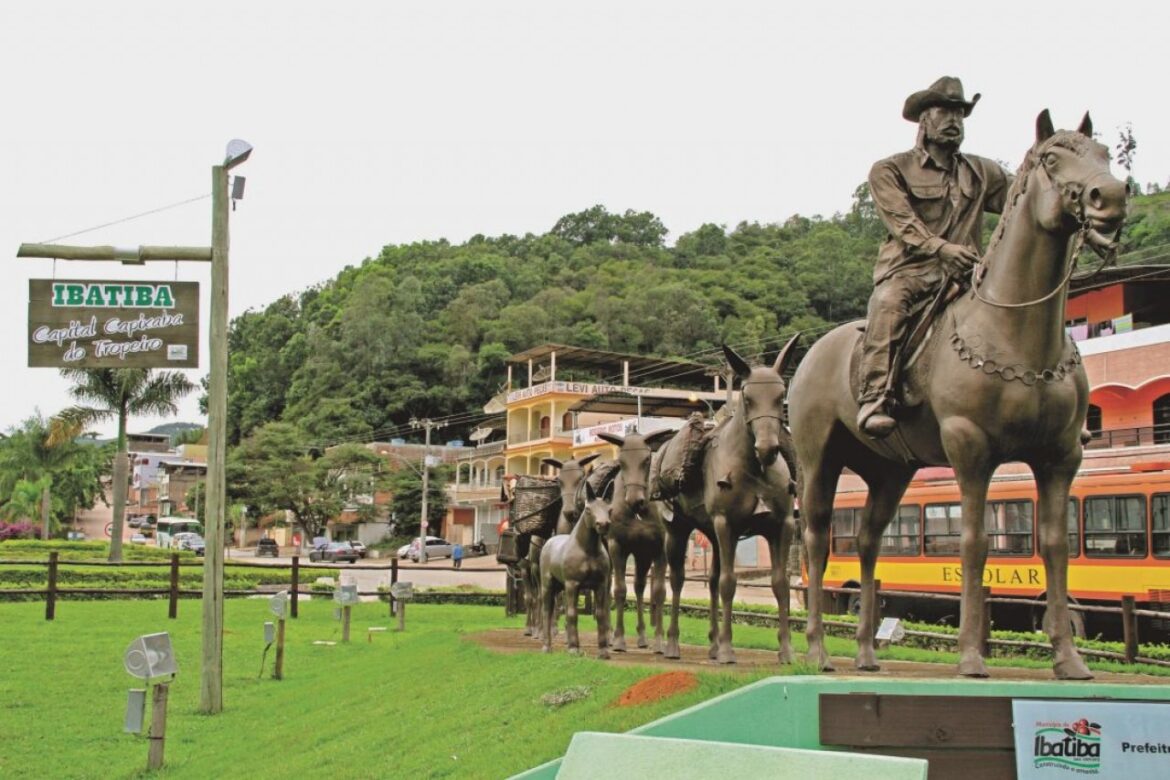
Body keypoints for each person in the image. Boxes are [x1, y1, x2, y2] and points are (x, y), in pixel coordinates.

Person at [858, 76, 1011, 437]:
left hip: (971, 276)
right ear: (924, 119)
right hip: (912, 272)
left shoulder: (983, 171)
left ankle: (1055, 401)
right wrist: (941, 249)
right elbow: (903, 223)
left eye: (959, 112)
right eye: (944, 110)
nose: (953, 119)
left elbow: (1021, 202)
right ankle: (875, 394)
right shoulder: (890, 170)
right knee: (888, 303)